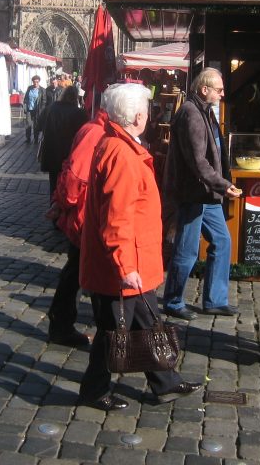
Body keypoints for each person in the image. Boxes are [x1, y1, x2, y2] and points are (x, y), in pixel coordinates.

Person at [77, 83, 201, 410]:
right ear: (137, 116)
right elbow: (116, 218)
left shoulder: (122, 146)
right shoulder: (121, 153)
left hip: (134, 261)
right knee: (111, 333)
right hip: (122, 266)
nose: (150, 115)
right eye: (147, 111)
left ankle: (166, 383)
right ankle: (94, 390)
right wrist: (125, 266)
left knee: (146, 323)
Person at [162, 68, 242, 320]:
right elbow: (197, 162)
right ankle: (173, 301)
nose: (222, 93)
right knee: (186, 250)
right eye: (218, 89)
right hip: (193, 193)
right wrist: (222, 184)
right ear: (204, 89)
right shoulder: (191, 114)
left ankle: (215, 300)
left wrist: (219, 184)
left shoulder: (204, 111)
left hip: (206, 193)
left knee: (222, 240)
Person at [45, 107, 111, 347]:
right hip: (85, 214)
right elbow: (75, 176)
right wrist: (62, 203)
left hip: (86, 213)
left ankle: (61, 323)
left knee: (76, 271)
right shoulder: (95, 132)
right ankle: (108, 335)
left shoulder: (100, 129)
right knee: (89, 273)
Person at [39, 85, 88, 195]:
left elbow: (39, 125)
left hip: (51, 152)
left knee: (53, 184)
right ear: (75, 97)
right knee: (67, 187)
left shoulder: (51, 108)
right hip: (68, 154)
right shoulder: (79, 113)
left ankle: (53, 207)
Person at [22, 75, 44, 145]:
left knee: (36, 125)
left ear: (39, 82)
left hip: (37, 110)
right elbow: (25, 98)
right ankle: (28, 138)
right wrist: (25, 105)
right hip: (29, 109)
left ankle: (36, 138)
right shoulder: (29, 88)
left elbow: (44, 101)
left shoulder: (42, 90)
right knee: (28, 124)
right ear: (32, 82)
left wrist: (41, 110)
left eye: (37, 82)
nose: (35, 83)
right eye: (34, 82)